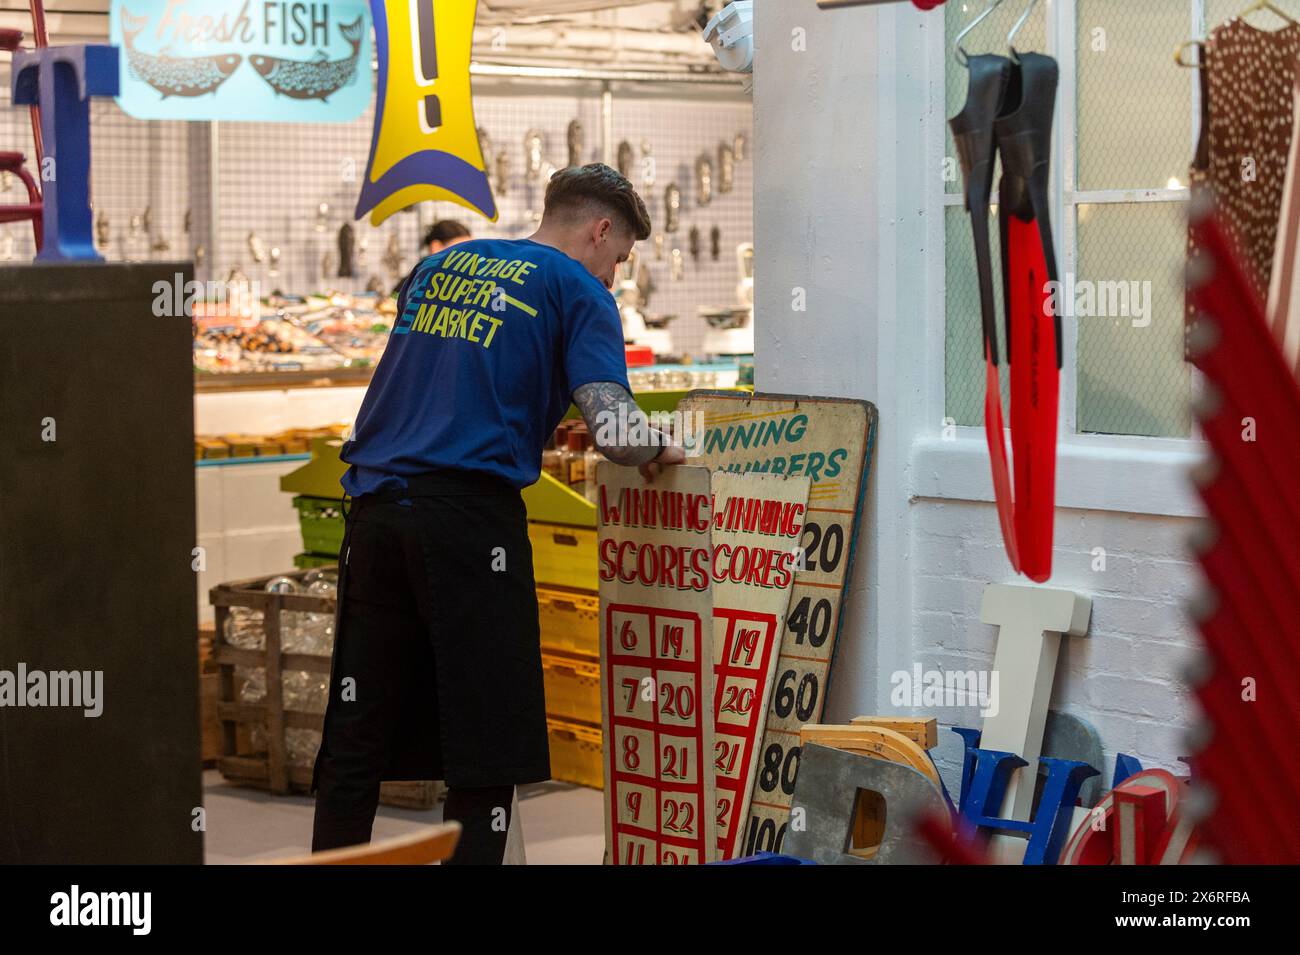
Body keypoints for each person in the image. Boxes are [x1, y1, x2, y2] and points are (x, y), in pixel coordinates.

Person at [310, 163, 685, 864]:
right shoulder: (579, 290)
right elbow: (616, 431)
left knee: (358, 730)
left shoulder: (442, 267)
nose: (615, 279)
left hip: (372, 511)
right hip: (467, 521)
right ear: (601, 231)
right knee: (488, 741)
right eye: (621, 261)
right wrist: (668, 445)